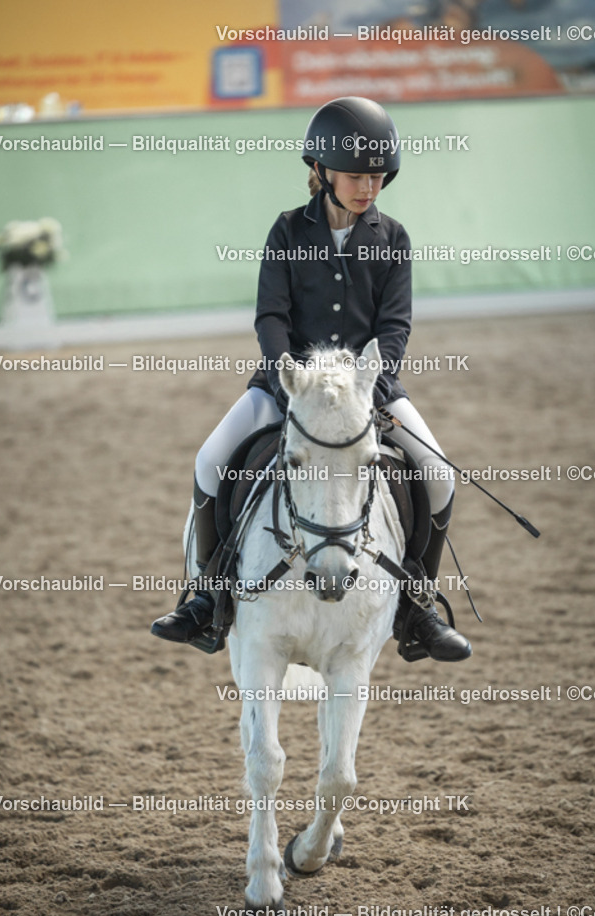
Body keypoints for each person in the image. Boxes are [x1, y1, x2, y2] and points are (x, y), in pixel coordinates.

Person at [151, 96, 471, 662]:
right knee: (209, 461)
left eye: (376, 176)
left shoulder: (393, 239)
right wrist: (285, 380)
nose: (367, 187)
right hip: (288, 386)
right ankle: (207, 595)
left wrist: (371, 386)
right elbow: (270, 317)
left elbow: (394, 326)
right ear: (321, 172)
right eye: (355, 176)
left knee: (440, 475)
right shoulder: (285, 231)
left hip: (367, 392)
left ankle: (417, 603)